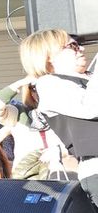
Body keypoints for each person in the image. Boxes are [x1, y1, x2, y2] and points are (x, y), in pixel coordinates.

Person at [17, 30, 98, 181]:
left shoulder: (90, 78)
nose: (81, 49)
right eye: (72, 46)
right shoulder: (48, 84)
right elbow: (91, 107)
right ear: (49, 57)